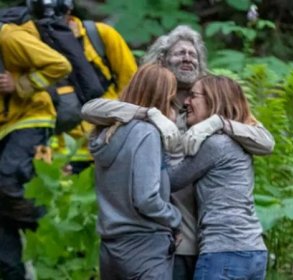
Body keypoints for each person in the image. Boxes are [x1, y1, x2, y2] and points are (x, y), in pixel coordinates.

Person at [82, 25, 274, 280]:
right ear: (162, 60)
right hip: (170, 240)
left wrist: (218, 123)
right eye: (180, 53)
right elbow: (91, 109)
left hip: (212, 242)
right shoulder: (150, 104)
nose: (188, 58)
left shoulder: (209, 105)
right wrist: (149, 114)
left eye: (193, 54)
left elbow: (266, 142)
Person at [168, 75, 268, 280]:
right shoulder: (238, 139)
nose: (186, 102)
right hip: (253, 251)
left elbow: (172, 180)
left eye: (193, 96)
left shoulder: (215, 144)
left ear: (214, 100)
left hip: (224, 253)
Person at [89, 63, 181, 280]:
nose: (175, 110)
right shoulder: (147, 134)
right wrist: (175, 218)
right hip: (144, 249)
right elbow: (146, 198)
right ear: (160, 100)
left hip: (111, 249)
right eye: (171, 101)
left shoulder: (107, 134)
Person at [0, 21, 71, 279]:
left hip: (32, 118)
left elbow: (60, 65)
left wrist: (21, 83)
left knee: (7, 178)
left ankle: (46, 225)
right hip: (4, 127)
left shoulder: (9, 38)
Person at [45, 0, 137, 174]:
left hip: (106, 146)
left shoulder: (100, 35)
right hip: (58, 152)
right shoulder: (30, 43)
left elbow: (133, 86)